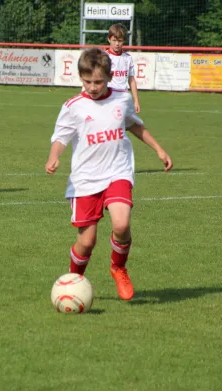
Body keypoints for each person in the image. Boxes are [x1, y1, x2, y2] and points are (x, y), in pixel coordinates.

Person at [45, 48, 172, 301]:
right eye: (88, 81)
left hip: (117, 171)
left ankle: (118, 267)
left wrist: (158, 149)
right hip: (85, 180)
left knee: (121, 224)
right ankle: (73, 281)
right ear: (81, 78)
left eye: (99, 82)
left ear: (110, 77)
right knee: (87, 242)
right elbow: (61, 137)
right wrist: (54, 155)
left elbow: (134, 125)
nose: (93, 87)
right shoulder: (73, 107)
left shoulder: (121, 99)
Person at [106, 23, 141, 113]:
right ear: (109, 39)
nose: (117, 44)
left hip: (123, 97)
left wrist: (136, 100)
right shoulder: (104, 57)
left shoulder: (127, 58)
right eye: (114, 40)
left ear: (124, 41)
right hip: (109, 97)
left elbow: (131, 80)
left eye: (120, 41)